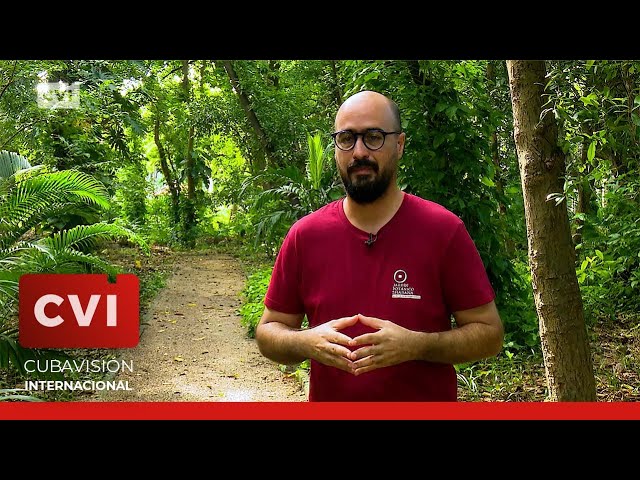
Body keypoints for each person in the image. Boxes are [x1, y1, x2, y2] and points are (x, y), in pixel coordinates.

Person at [255, 90, 503, 401]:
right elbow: (268, 331)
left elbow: (489, 334)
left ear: (399, 145)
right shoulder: (306, 235)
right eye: (346, 138)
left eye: (373, 136)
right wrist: (306, 342)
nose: (358, 151)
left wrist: (417, 344)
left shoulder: (443, 230)